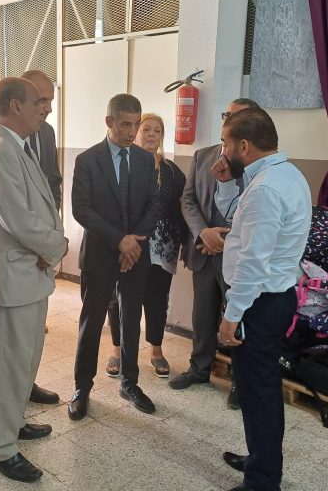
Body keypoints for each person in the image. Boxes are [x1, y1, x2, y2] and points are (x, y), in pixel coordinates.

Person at [0, 77, 68, 483]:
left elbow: (38, 206)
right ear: (15, 105)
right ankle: (0, 447)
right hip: (16, 272)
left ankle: (14, 423)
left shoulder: (19, 146)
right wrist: (57, 245)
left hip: (31, 270)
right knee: (9, 364)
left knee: (25, 360)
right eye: (38, 101)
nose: (46, 108)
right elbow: (18, 219)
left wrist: (49, 247)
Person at [214, 107, 311, 491]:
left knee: (259, 393)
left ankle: (262, 481)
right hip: (272, 298)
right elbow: (240, 220)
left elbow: (253, 262)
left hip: (259, 303)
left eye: (225, 144)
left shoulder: (267, 189)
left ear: (244, 145)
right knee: (259, 390)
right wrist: (225, 184)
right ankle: (260, 461)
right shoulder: (283, 175)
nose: (223, 152)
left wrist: (232, 315)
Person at [68, 93, 160, 420]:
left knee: (131, 319)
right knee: (92, 321)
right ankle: (82, 388)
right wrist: (119, 241)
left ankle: (130, 383)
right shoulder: (88, 160)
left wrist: (132, 244)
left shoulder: (145, 160)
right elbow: (81, 209)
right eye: (125, 124)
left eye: (136, 124)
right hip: (100, 254)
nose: (132, 132)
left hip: (135, 255)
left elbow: (153, 205)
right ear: (109, 122)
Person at [169, 98, 258, 410]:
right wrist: (203, 233)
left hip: (237, 255)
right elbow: (188, 199)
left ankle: (240, 381)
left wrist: (224, 239)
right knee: (203, 314)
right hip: (202, 250)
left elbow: (253, 211)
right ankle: (199, 369)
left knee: (238, 319)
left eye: (237, 116)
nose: (228, 120)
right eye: (226, 115)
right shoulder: (202, 155)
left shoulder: (254, 163)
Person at [105, 113, 186, 379]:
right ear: (135, 132)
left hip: (163, 248)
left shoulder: (172, 172)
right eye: (146, 129)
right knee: (119, 298)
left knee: (157, 299)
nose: (151, 134)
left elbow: (183, 207)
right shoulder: (123, 165)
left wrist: (185, 242)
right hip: (129, 245)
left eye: (157, 131)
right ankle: (117, 350)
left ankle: (156, 351)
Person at [0, 70, 62, 209]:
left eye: (51, 100)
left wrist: (53, 215)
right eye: (41, 100)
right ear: (17, 103)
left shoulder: (48, 132)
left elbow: (54, 180)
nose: (49, 109)